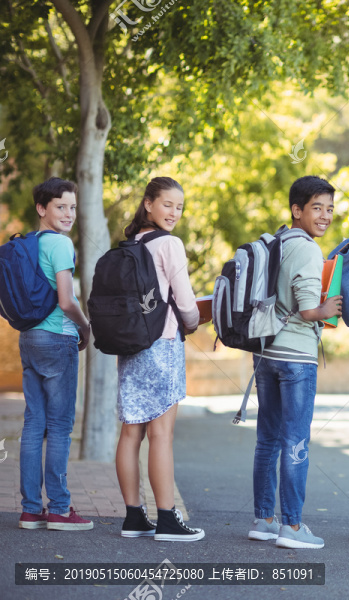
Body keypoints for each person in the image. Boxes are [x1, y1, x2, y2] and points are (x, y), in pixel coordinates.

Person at [247, 176, 342, 550]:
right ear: (297, 210)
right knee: (296, 441)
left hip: (266, 352)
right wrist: (328, 309)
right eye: (317, 208)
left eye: (330, 209)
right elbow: (307, 309)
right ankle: (292, 526)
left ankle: (264, 519)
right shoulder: (307, 249)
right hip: (296, 358)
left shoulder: (274, 243)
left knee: (267, 439)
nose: (324, 216)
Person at [114, 177, 203, 542]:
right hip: (162, 342)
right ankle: (167, 519)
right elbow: (185, 303)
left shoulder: (128, 245)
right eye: (167, 204)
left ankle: (134, 517)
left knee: (131, 431)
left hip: (130, 345)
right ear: (148, 203)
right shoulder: (170, 244)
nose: (174, 213)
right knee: (161, 433)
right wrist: (196, 321)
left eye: (179, 207)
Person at [17, 177, 93, 531]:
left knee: (34, 424)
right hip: (58, 338)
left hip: (29, 338)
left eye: (73, 207)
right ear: (41, 208)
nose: (68, 213)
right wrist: (85, 326)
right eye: (61, 206)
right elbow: (66, 301)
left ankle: (31, 509)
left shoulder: (30, 244)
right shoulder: (60, 245)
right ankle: (60, 508)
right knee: (60, 427)